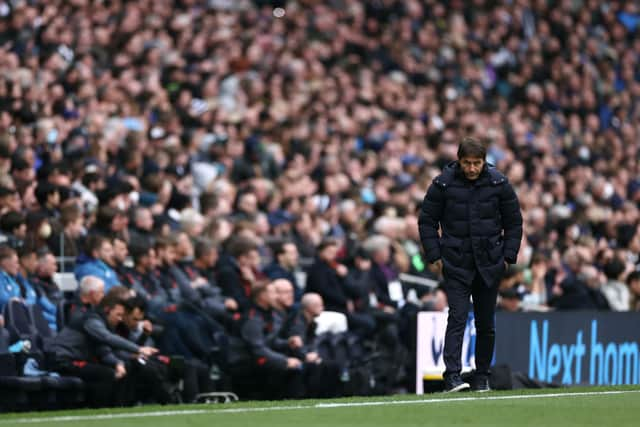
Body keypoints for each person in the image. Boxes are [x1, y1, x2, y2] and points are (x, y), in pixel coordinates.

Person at [418, 137, 523, 392]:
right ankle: (452, 375)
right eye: (467, 163)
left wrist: (508, 256)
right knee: (457, 317)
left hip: (489, 263)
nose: (472, 168)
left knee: (486, 324)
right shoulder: (442, 184)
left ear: (484, 162)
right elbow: (427, 221)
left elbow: (514, 222)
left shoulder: (499, 183)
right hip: (456, 263)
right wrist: (436, 256)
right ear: (459, 160)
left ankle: (482, 375)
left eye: (477, 163)